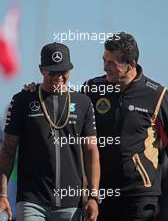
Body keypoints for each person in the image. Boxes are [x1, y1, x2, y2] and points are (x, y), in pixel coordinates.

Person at [0, 42, 100, 221]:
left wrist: (93, 197)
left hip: (71, 204)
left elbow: (91, 150)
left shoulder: (83, 103)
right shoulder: (22, 100)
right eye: (52, 72)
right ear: (41, 70)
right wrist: (2, 194)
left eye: (64, 71)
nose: (59, 77)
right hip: (32, 201)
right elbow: (8, 149)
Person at [81, 32, 168, 221]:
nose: (104, 67)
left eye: (111, 63)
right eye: (104, 60)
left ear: (130, 65)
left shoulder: (156, 95)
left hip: (140, 195)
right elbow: (67, 109)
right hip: (101, 194)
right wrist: (36, 91)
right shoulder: (91, 88)